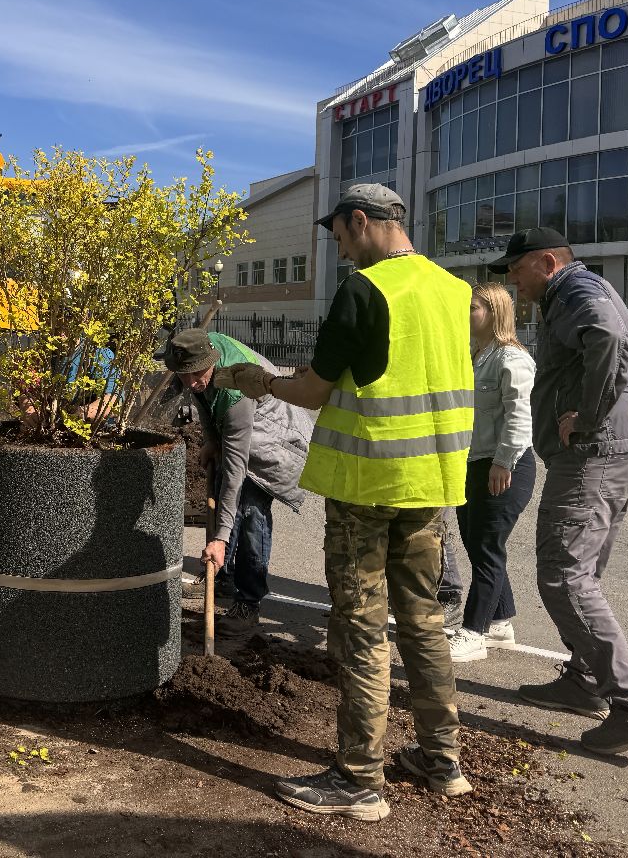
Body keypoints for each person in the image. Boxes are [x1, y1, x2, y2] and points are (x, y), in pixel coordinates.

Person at [217, 183, 473, 822]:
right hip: (431, 484)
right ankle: (442, 762)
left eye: (338, 238)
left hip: (367, 487)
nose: (339, 252)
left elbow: (310, 391)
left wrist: (258, 381)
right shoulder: (453, 291)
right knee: (423, 620)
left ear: (360, 222)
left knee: (360, 625)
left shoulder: (365, 290)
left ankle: (359, 778)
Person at [493, 228, 628, 755]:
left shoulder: (576, 292)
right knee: (583, 573)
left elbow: (616, 344)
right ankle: (583, 681)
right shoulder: (579, 291)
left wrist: (591, 415)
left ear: (547, 261)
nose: (511, 279)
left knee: (564, 577)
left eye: (516, 268)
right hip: (607, 454)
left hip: (591, 458)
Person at [162, 328, 311, 636]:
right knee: (228, 503)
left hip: (274, 439)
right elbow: (202, 397)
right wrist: (212, 439)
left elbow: (235, 471)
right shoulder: (196, 352)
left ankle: (249, 603)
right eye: (183, 375)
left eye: (196, 374)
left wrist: (220, 538)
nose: (190, 382)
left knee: (252, 512)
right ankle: (223, 578)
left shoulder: (235, 395)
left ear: (211, 360)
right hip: (239, 432)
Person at [446, 283, 537, 664]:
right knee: (477, 542)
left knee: (487, 548)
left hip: (504, 465)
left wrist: (503, 462)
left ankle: (474, 632)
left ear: (494, 312)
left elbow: (518, 416)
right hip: (475, 461)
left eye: (472, 308)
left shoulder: (510, 358)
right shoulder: (476, 355)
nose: (466, 315)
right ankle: (499, 621)